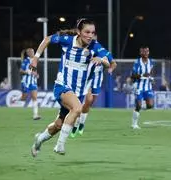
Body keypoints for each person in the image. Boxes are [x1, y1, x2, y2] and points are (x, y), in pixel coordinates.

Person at [29, 18, 110, 157]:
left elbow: (108, 63)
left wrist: (101, 60)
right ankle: (59, 146)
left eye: (93, 32)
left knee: (58, 125)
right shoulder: (67, 40)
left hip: (77, 92)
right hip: (62, 86)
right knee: (78, 109)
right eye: (87, 32)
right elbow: (47, 39)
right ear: (79, 32)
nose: (90, 35)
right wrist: (36, 58)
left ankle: (39, 140)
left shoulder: (95, 46)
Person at [70, 48, 117, 137]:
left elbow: (112, 64)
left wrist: (109, 68)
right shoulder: (85, 51)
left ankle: (82, 123)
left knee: (89, 103)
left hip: (97, 81)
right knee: (86, 100)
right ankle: (75, 125)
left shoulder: (104, 52)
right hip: (86, 80)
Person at [131, 46, 155, 129]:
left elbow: (151, 72)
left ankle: (140, 107)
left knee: (151, 105)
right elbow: (133, 75)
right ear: (140, 53)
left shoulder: (151, 62)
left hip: (148, 87)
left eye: (147, 51)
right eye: (144, 52)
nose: (146, 53)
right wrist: (142, 75)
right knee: (138, 106)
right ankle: (134, 124)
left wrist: (151, 78)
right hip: (139, 87)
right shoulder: (137, 62)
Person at [16, 48, 40, 120]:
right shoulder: (26, 61)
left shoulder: (35, 61)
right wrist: (28, 72)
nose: (33, 53)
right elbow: (21, 71)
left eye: (33, 51)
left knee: (35, 98)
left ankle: (35, 115)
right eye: (32, 52)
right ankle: (16, 100)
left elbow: (33, 71)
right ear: (28, 53)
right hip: (26, 82)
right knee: (24, 98)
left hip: (33, 82)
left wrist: (36, 75)